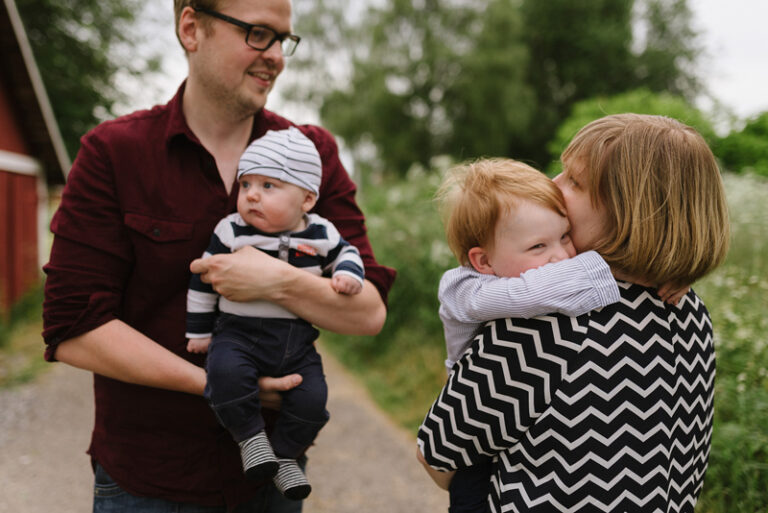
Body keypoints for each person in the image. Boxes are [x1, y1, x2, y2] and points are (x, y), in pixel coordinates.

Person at [41, 0, 396, 511]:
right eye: (257, 33)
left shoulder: (311, 154)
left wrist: (277, 282)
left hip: (272, 483)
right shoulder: (114, 152)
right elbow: (74, 326)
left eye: (283, 39)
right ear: (192, 28)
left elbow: (369, 313)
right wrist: (220, 385)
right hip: (146, 480)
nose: (275, 55)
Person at [417, 114, 729, 512]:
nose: (553, 185)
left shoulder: (550, 317)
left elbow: (439, 453)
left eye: (575, 181)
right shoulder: (690, 312)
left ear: (629, 211)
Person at [432, 158, 622, 513]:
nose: (561, 256)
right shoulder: (464, 289)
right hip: (473, 432)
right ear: (483, 261)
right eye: (538, 247)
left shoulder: (511, 271)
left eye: (565, 236)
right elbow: (528, 293)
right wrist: (613, 263)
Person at [186, 127, 365, 500]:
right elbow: (203, 279)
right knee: (225, 375)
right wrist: (199, 332)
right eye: (246, 183)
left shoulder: (321, 233)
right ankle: (251, 439)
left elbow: (348, 253)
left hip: (296, 342)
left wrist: (348, 274)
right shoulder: (232, 229)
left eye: (269, 186)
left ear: (307, 199)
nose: (251, 194)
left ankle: (284, 456)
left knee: (313, 400)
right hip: (238, 332)